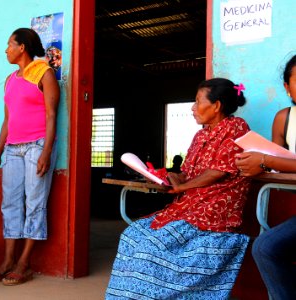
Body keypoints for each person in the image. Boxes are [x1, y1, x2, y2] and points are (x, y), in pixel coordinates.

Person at [106, 78, 250, 299]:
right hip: (186, 209)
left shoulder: (236, 127)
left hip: (212, 214)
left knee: (150, 249)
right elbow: (188, 172)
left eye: (197, 101)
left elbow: (217, 172)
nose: (192, 108)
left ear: (217, 105)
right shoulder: (200, 135)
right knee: (131, 236)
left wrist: (182, 186)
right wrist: (171, 177)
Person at [0, 28, 59, 286]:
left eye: (9, 45)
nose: (6, 50)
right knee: (10, 203)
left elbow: (52, 115)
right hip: (13, 149)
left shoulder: (44, 73)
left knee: (35, 202)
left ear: (22, 48)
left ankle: (23, 263)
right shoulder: (10, 79)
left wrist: (47, 152)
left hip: (37, 145)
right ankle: (7, 261)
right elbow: (8, 120)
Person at [235, 54, 296, 300]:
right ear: (287, 87)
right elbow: (275, 163)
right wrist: (257, 166)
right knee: (265, 247)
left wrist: (267, 162)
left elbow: (272, 160)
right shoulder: (285, 118)